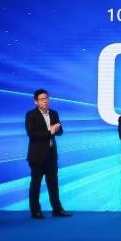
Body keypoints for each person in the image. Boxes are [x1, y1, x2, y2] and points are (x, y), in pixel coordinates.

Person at [25, 89, 71, 219]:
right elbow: (32, 134)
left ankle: (57, 209)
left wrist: (57, 129)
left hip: (51, 155)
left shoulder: (54, 113)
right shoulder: (31, 115)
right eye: (42, 99)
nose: (45, 101)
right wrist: (50, 131)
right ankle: (35, 211)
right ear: (36, 101)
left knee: (53, 184)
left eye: (46, 98)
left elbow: (60, 132)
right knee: (36, 184)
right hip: (37, 156)